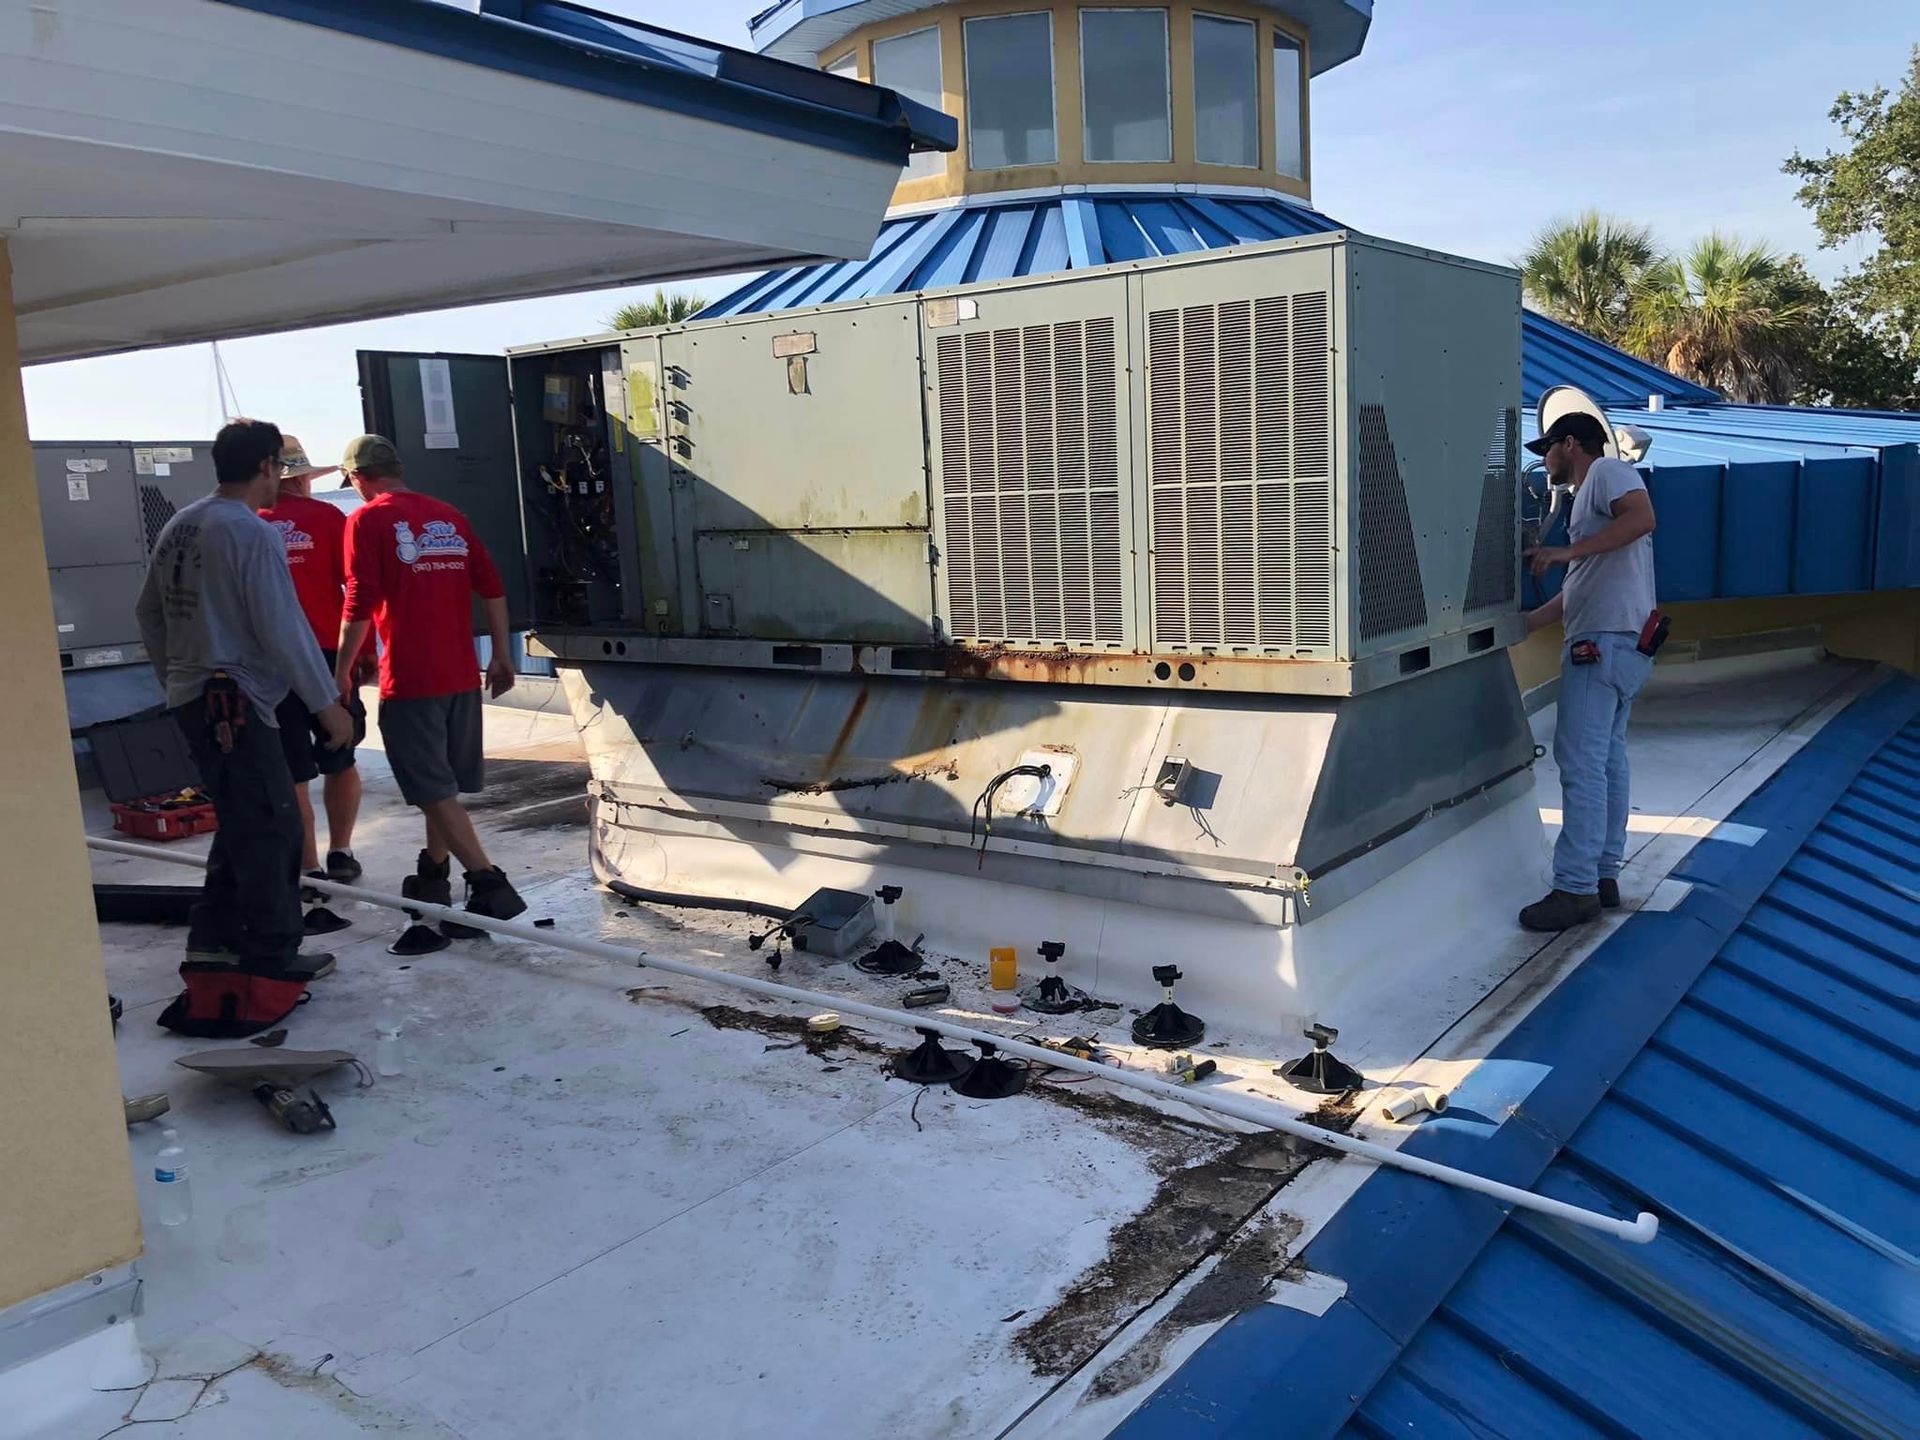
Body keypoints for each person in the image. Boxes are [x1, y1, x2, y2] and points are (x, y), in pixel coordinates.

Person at [134, 419, 354, 975]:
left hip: (197, 696)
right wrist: (327, 704)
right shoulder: (249, 531)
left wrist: (176, 679)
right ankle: (273, 954)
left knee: (241, 819)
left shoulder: (182, 524)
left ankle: (214, 941)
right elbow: (282, 627)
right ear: (266, 467)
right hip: (233, 702)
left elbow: (148, 612)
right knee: (271, 827)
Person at [335, 434, 528, 928]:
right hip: (461, 675)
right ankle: (434, 875)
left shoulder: (366, 519)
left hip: (411, 680)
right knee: (441, 785)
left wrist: (341, 670)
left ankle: (489, 885)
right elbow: (493, 587)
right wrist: (502, 655)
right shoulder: (448, 515)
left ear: (358, 477)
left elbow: (359, 599)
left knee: (431, 790)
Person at [1517, 411, 1658, 932]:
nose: (1544, 461)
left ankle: (1574, 889)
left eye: (1547, 450)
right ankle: (1602, 876)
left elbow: (1642, 518)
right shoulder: (1592, 506)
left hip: (1600, 646)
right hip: (1623, 645)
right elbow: (1580, 587)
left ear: (1570, 444)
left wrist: (1564, 550)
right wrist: (1526, 624)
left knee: (1579, 762)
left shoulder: (1605, 473)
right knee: (1606, 762)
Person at [256, 434, 366, 895]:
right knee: (340, 758)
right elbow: (356, 592)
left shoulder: (249, 523)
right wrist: (363, 656)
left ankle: (309, 867)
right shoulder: (329, 518)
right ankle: (340, 851)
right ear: (302, 476)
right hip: (326, 655)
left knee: (292, 770)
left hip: (270, 662)